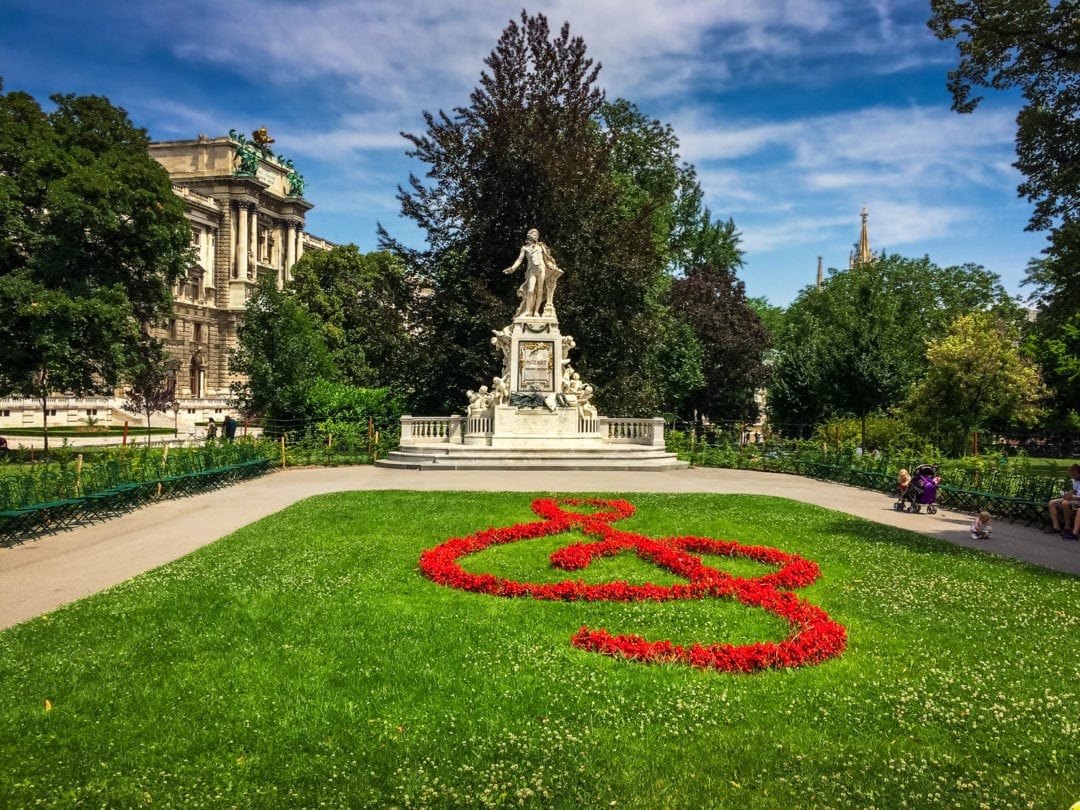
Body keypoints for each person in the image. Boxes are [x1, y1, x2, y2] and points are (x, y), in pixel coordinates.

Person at [503, 228, 563, 319]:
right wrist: (512, 268)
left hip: (541, 269)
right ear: (529, 235)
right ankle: (527, 311)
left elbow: (546, 258)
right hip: (531, 270)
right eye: (534, 235)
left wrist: (550, 265)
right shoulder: (525, 248)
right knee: (530, 290)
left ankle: (536, 312)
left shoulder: (541, 246)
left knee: (540, 290)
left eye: (537, 235)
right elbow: (520, 259)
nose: (536, 236)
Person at [1047, 464, 1080, 538]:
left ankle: (1067, 527)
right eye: (1073, 476)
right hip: (1072, 498)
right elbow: (1075, 491)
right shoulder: (1075, 480)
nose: (1074, 477)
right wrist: (1068, 494)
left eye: (1075, 475)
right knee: (1051, 503)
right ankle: (1056, 527)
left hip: (1077, 500)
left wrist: (1073, 498)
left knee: (1065, 503)